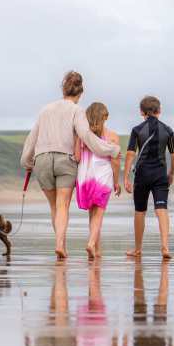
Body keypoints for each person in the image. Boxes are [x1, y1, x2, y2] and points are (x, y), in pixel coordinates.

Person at [20, 71, 120, 259]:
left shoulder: (45, 109)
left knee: (54, 207)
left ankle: (61, 246)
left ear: (63, 90)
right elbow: (87, 136)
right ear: (80, 94)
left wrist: (27, 162)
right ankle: (60, 245)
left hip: (41, 160)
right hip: (65, 161)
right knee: (63, 205)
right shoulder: (77, 111)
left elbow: (31, 139)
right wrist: (111, 150)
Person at [123, 96, 174, 259]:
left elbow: (130, 154)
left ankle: (138, 249)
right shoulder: (168, 130)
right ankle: (165, 247)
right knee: (161, 209)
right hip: (160, 174)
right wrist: (171, 173)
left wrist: (126, 177)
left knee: (140, 210)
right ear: (159, 111)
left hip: (142, 175)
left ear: (141, 112)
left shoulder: (137, 130)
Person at [73, 102, 121, 260]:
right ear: (105, 117)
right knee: (99, 213)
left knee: (92, 214)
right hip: (103, 176)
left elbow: (77, 158)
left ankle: (96, 249)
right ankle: (92, 244)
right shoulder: (112, 136)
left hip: (85, 176)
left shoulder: (83, 136)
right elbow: (115, 161)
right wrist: (116, 181)